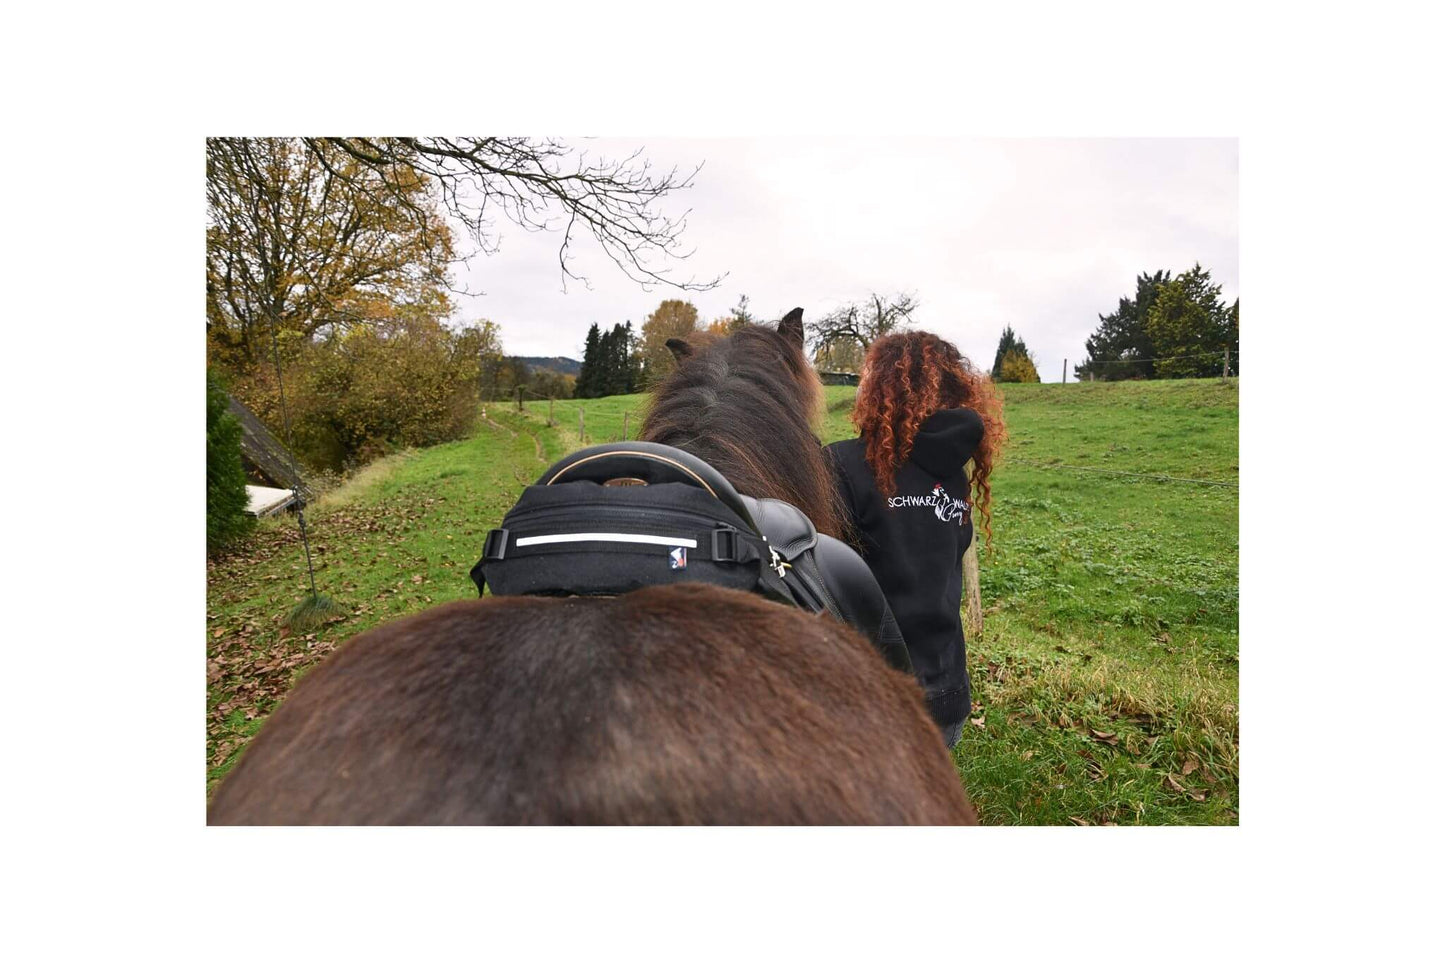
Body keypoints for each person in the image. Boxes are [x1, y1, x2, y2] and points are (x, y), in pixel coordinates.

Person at [826, 331, 1006, 747]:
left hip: (867, 701)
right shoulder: (953, 474)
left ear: (878, 388)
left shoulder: (840, 466)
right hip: (946, 703)